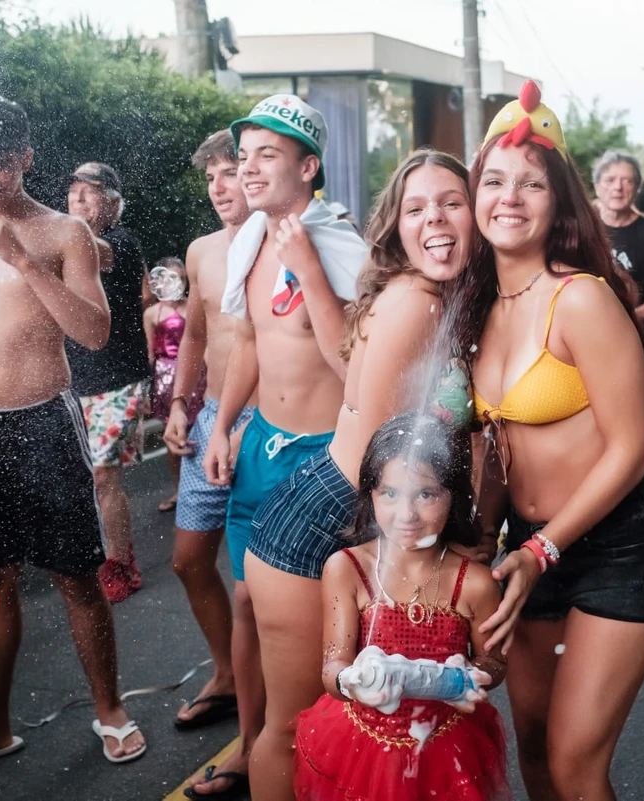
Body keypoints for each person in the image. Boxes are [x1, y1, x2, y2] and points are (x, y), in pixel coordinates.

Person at [218, 147, 476, 801]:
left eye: (452, 202)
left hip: (335, 512)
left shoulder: (431, 296)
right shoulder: (418, 299)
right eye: (417, 207)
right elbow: (392, 457)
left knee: (342, 723)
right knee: (293, 724)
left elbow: (349, 370)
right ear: (396, 226)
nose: (437, 219)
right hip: (322, 524)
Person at [458, 80, 644, 801]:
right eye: (494, 180)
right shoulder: (478, 307)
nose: (510, 196)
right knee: (530, 746)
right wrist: (480, 550)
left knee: (574, 762)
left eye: (532, 183)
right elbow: (492, 449)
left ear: (559, 202)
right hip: (528, 548)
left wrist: (541, 549)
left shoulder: (581, 297)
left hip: (620, 546)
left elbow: (630, 448)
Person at [0, 95, 146, 771]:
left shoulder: (64, 234)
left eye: (1, 164)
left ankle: (110, 708)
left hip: (46, 421)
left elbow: (95, 331)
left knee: (78, 577)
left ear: (26, 158)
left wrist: (27, 261)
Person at [194, 95, 368, 799]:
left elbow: (358, 363)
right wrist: (222, 424)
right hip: (260, 445)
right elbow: (247, 341)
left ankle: (311, 754)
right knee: (244, 606)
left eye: (268, 154)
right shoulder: (246, 240)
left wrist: (310, 268)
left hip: (323, 460)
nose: (248, 168)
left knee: (322, 632)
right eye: (245, 155)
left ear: (309, 165)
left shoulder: (339, 244)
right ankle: (250, 740)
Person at [294, 413, 509, 801]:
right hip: (361, 744)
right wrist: (353, 683)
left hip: (446, 749)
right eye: (389, 493)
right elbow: (332, 666)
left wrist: (465, 676)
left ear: (453, 496)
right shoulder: (347, 568)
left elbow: (495, 663)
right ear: (370, 495)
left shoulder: (474, 583)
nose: (406, 514)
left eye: (425, 494)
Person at [163, 129, 254, 736]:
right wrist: (178, 403)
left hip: (265, 423)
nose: (220, 187)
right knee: (189, 559)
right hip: (209, 416)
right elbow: (196, 333)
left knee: (258, 583)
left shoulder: (284, 244)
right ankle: (226, 674)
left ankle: (270, 708)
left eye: (230, 172)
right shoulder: (200, 251)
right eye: (212, 177)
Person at [66, 160, 152, 602]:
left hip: (117, 378)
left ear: (113, 203)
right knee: (80, 478)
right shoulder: (63, 240)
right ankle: (91, 557)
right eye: (74, 189)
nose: (79, 197)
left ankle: (121, 562)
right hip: (72, 380)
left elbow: (91, 251)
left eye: (91, 190)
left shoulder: (119, 241)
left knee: (103, 477)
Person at [592, 151, 644, 369]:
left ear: (637, 188)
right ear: (597, 186)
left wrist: (628, 317)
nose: (617, 187)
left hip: (633, 341)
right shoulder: (583, 229)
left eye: (627, 181)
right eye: (610, 180)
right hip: (584, 335)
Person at [144, 256, 204, 512]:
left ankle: (204, 485)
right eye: (167, 278)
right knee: (174, 432)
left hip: (198, 373)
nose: (173, 283)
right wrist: (148, 390)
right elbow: (149, 353)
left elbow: (204, 341)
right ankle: (179, 489)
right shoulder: (152, 313)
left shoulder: (193, 305)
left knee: (202, 427)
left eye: (178, 278)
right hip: (166, 376)